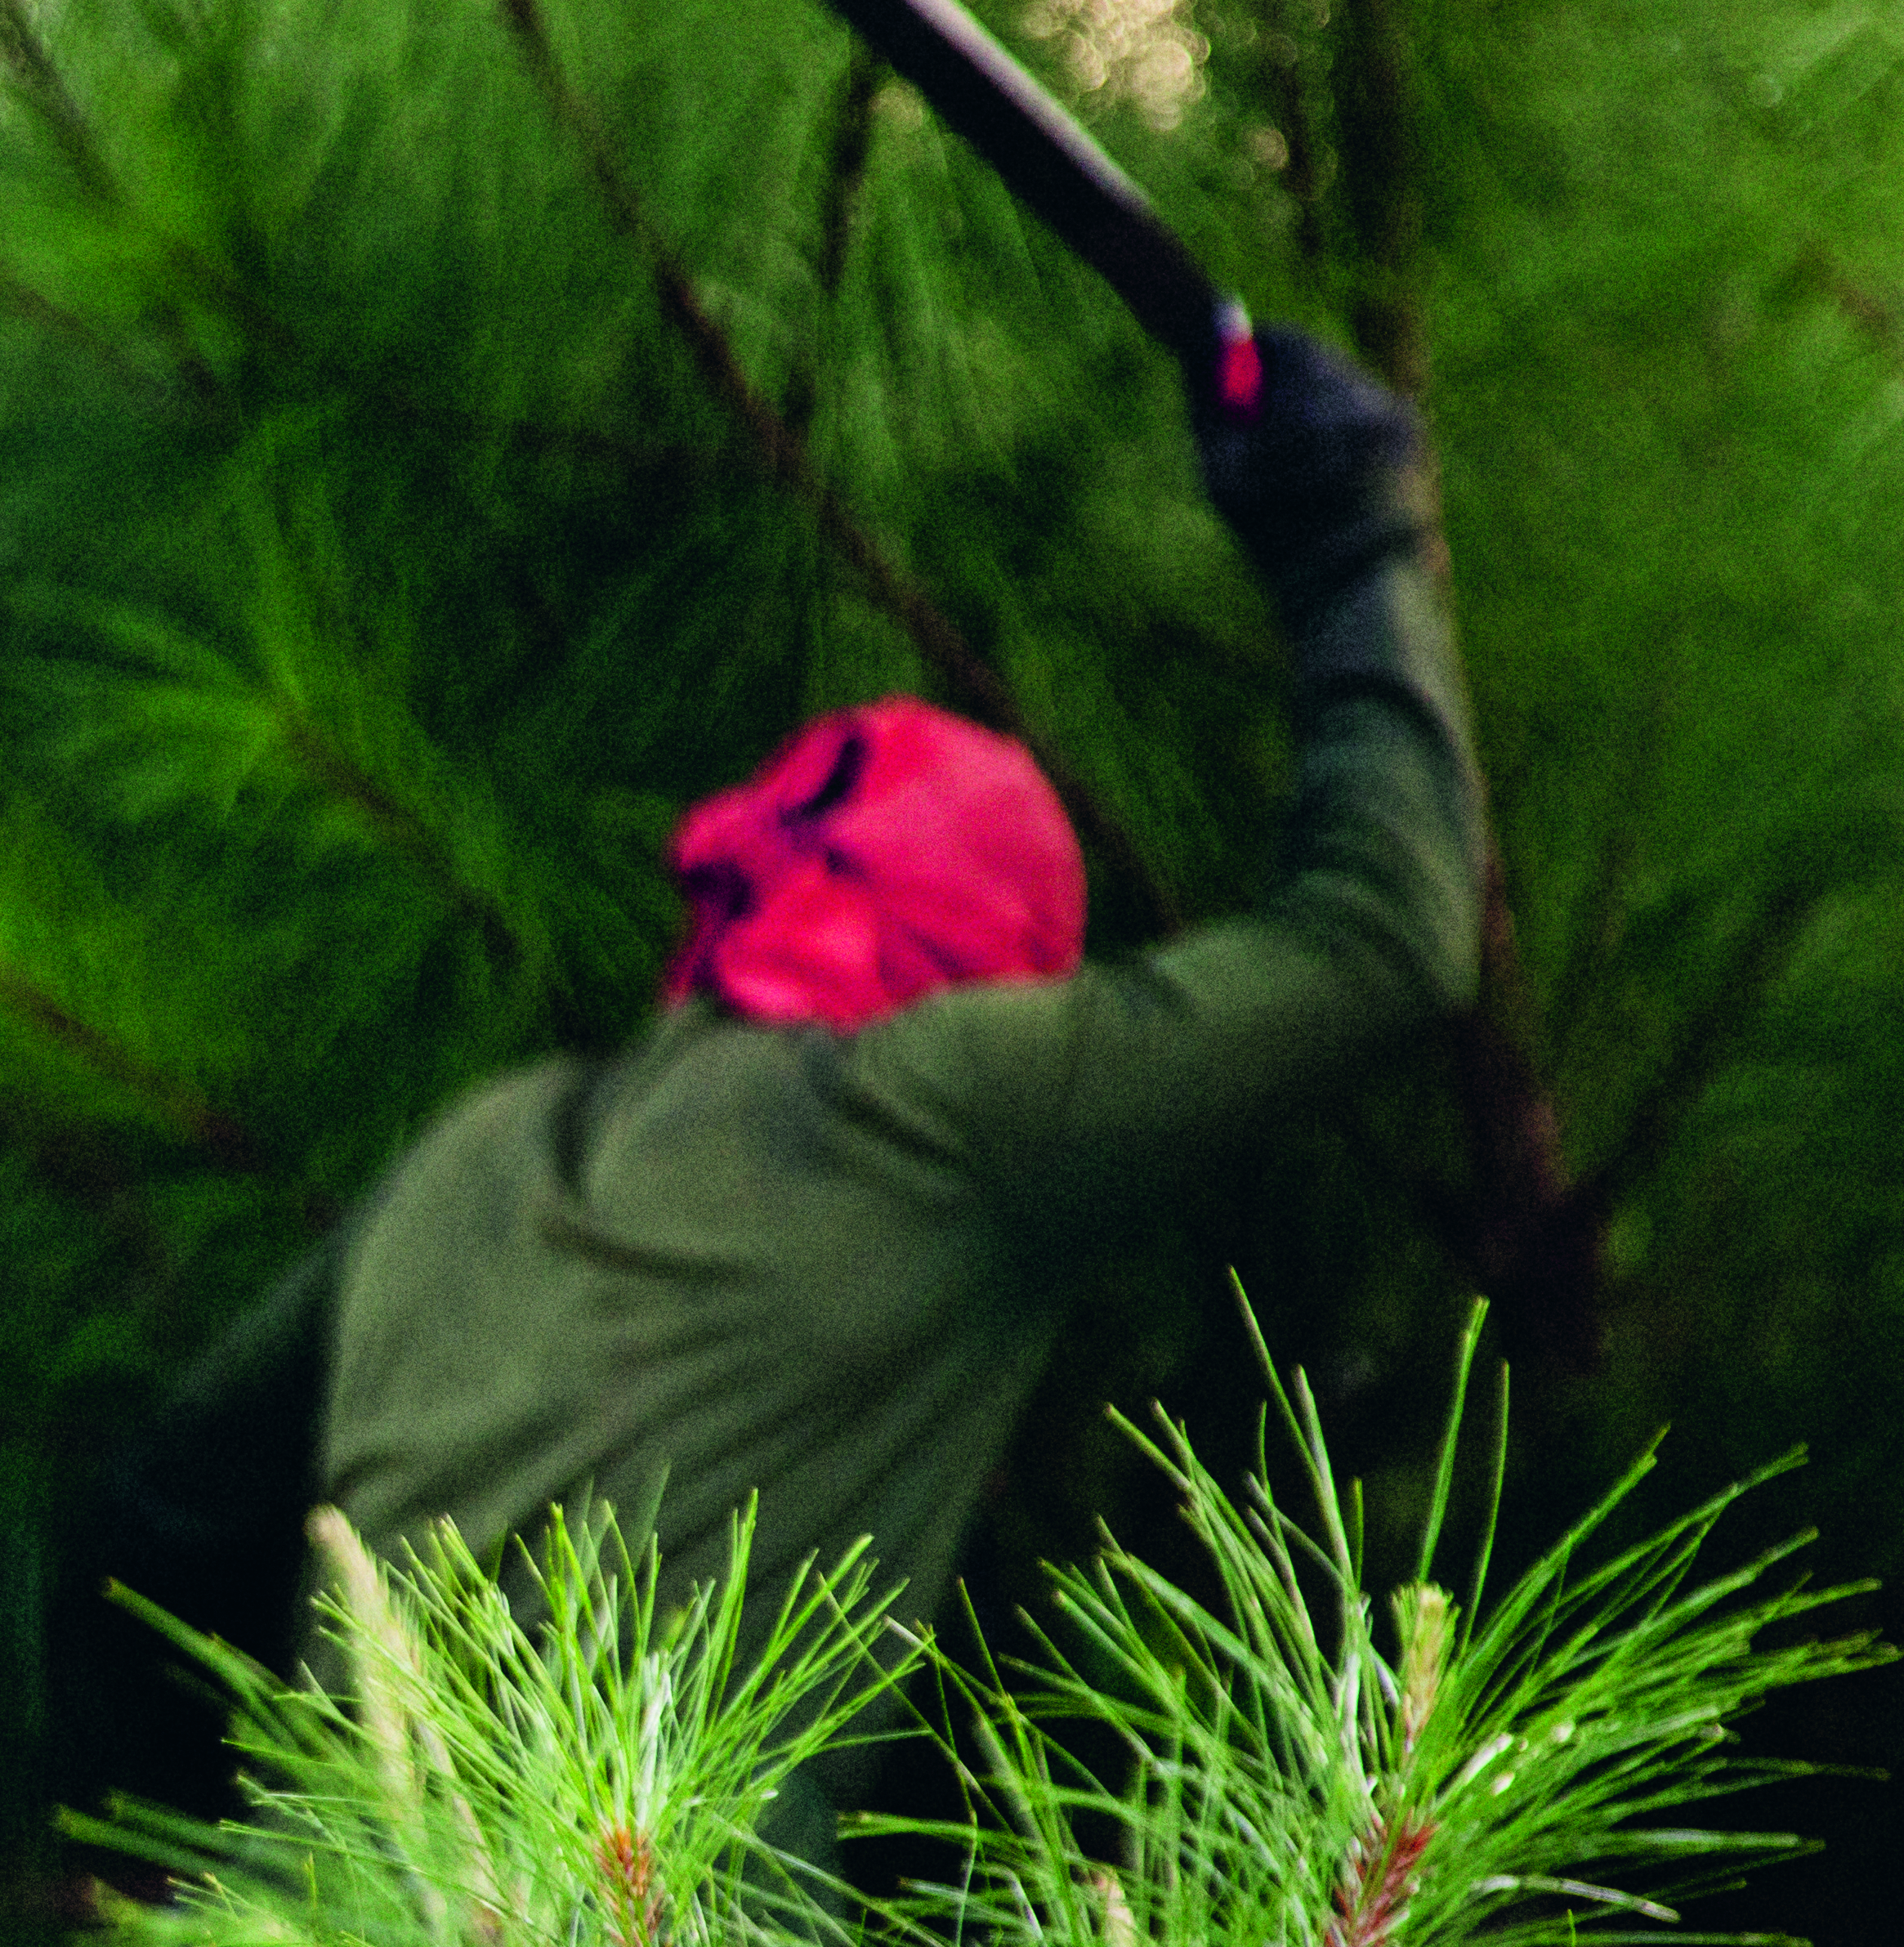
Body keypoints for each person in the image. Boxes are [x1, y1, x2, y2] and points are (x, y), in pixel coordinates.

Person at [74, 324, 1477, 1829]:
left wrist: (169, 1874)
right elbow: (1386, 936)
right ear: (991, 979)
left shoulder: (492, 1143)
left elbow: (163, 1511)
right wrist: (1351, 542)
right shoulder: (939, 1116)